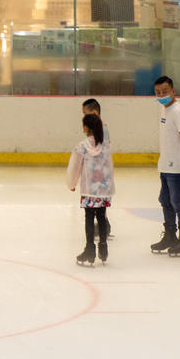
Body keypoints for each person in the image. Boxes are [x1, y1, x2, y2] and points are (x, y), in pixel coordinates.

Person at [150, 76, 180, 257]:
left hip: (177, 166)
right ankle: (170, 234)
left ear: (173, 91)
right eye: (158, 92)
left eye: (165, 91)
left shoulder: (178, 111)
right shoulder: (164, 109)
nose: (161, 95)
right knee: (165, 200)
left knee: (178, 202)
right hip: (165, 165)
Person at [67, 113, 115, 266]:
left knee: (89, 217)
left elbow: (74, 167)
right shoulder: (106, 145)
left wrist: (72, 183)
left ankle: (89, 249)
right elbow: (109, 167)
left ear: (85, 127)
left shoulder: (82, 147)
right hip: (104, 190)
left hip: (89, 189)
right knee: (101, 217)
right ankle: (103, 247)